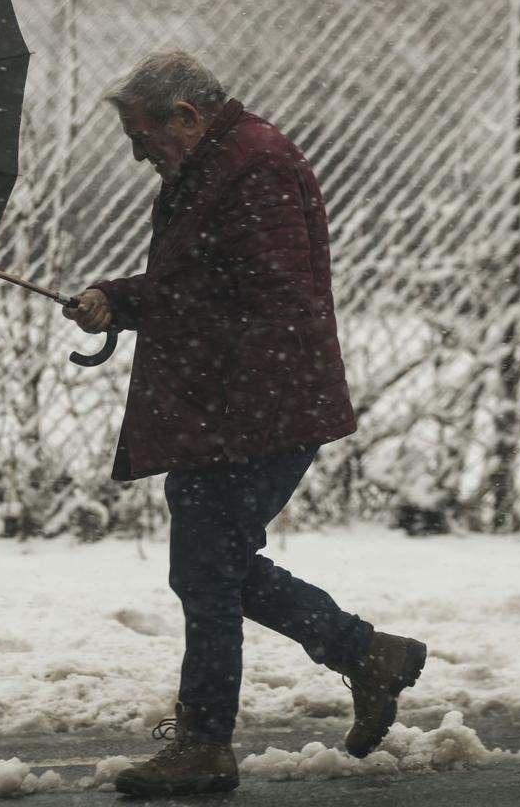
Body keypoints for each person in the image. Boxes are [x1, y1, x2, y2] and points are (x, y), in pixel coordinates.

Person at [62, 51, 427, 798]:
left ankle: (205, 743)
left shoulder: (253, 168)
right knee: (212, 565)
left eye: (142, 136)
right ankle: (365, 655)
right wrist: (115, 299)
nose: (137, 154)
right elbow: (196, 282)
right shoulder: (211, 165)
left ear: (186, 118)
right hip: (234, 408)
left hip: (256, 411)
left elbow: (272, 299)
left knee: (206, 568)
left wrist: (148, 312)